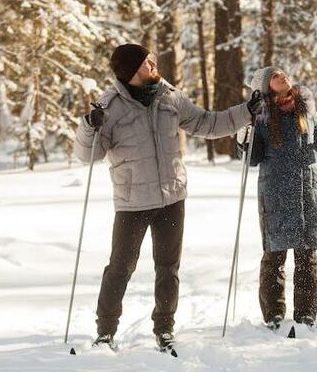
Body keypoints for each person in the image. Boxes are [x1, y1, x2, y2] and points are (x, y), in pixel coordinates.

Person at [74, 44, 263, 352]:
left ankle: (164, 329)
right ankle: (106, 332)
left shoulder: (169, 96)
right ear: (132, 71)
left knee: (168, 267)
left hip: (172, 196)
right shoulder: (108, 108)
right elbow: (88, 155)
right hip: (132, 201)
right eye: (147, 62)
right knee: (120, 268)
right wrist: (88, 126)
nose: (153, 64)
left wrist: (246, 112)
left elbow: (207, 123)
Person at [239, 66, 317, 329]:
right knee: (275, 257)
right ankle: (274, 315)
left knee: (307, 258)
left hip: (307, 192)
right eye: (275, 76)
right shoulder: (260, 116)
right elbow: (252, 158)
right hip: (276, 193)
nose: (283, 76)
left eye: (283, 73)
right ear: (267, 87)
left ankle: (306, 314)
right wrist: (243, 141)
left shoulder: (306, 110)